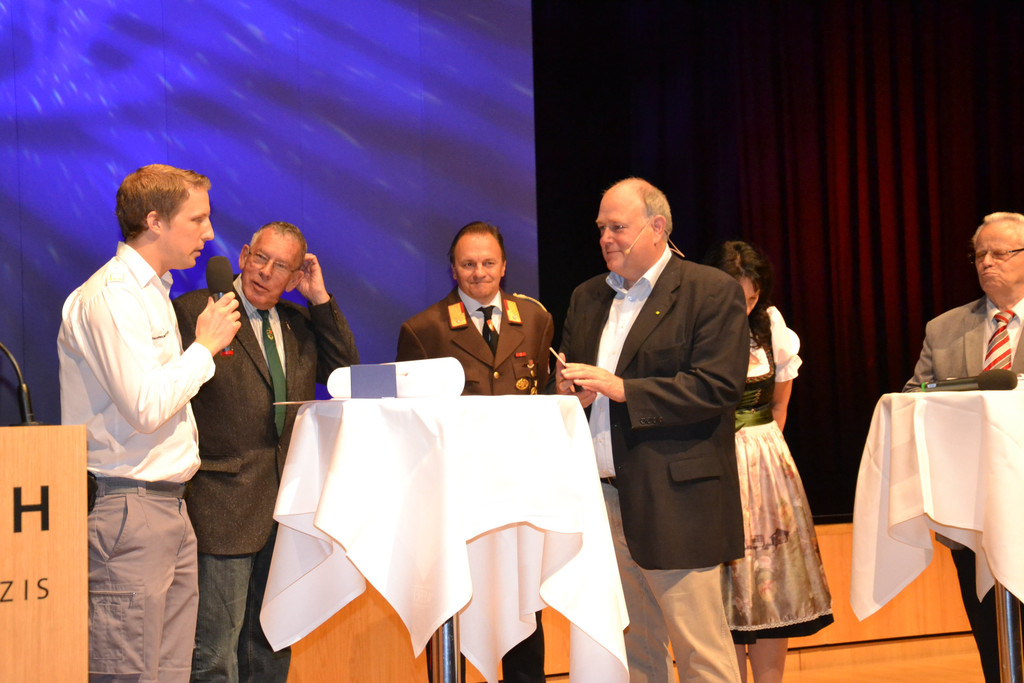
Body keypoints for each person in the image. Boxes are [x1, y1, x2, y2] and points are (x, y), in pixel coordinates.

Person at [553, 177, 749, 683]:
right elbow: (580, 388)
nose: (605, 238)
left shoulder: (709, 291)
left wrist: (622, 389)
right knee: (635, 655)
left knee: (701, 655)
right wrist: (570, 389)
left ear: (657, 228)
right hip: (603, 499)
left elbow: (716, 387)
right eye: (601, 228)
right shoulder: (587, 297)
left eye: (618, 227)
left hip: (676, 502)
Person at [58, 164, 241, 681]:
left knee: (169, 672)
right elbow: (146, 407)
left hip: (169, 506)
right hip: (127, 507)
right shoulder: (112, 296)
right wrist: (204, 347)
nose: (209, 233)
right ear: (155, 221)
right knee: (128, 673)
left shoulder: (153, 291)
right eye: (197, 219)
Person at [173, 221, 360, 682]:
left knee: (272, 645)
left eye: (281, 267)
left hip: (286, 509)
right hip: (221, 506)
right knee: (215, 652)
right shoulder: (198, 311)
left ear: (295, 278)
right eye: (260, 258)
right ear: (243, 256)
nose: (265, 272)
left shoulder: (299, 323)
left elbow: (346, 373)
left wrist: (319, 299)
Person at [395, 220, 553, 682]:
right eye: (468, 264)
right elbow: (409, 425)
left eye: (487, 263)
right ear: (452, 269)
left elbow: (542, 398)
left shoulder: (536, 319)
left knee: (523, 607)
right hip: (455, 500)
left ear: (504, 266)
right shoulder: (423, 329)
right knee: (453, 607)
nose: (479, 273)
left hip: (519, 496)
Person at [705, 241, 833, 683]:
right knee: (722, 587)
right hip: (713, 464)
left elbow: (779, 407)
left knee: (771, 581)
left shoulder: (770, 329)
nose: (744, 307)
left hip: (763, 465)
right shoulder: (694, 333)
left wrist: (761, 459)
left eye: (752, 297)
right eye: (734, 297)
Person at [904, 211, 1024, 683]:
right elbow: (913, 398)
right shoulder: (945, 328)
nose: (987, 263)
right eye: (979, 255)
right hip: (972, 509)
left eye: (1000, 253)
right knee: (991, 637)